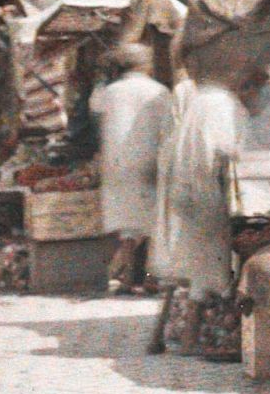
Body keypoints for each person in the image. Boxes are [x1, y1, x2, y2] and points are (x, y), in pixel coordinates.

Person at [148, 74, 241, 352]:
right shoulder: (215, 102)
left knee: (189, 269)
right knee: (208, 266)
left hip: (185, 192)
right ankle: (202, 337)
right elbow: (223, 149)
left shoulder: (198, 104)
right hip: (203, 193)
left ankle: (166, 337)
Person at [89, 45, 172, 292]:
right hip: (150, 162)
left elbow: (94, 107)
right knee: (153, 225)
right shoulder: (158, 90)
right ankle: (146, 278)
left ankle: (125, 277)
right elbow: (167, 128)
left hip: (116, 163)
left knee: (128, 224)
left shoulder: (110, 91)